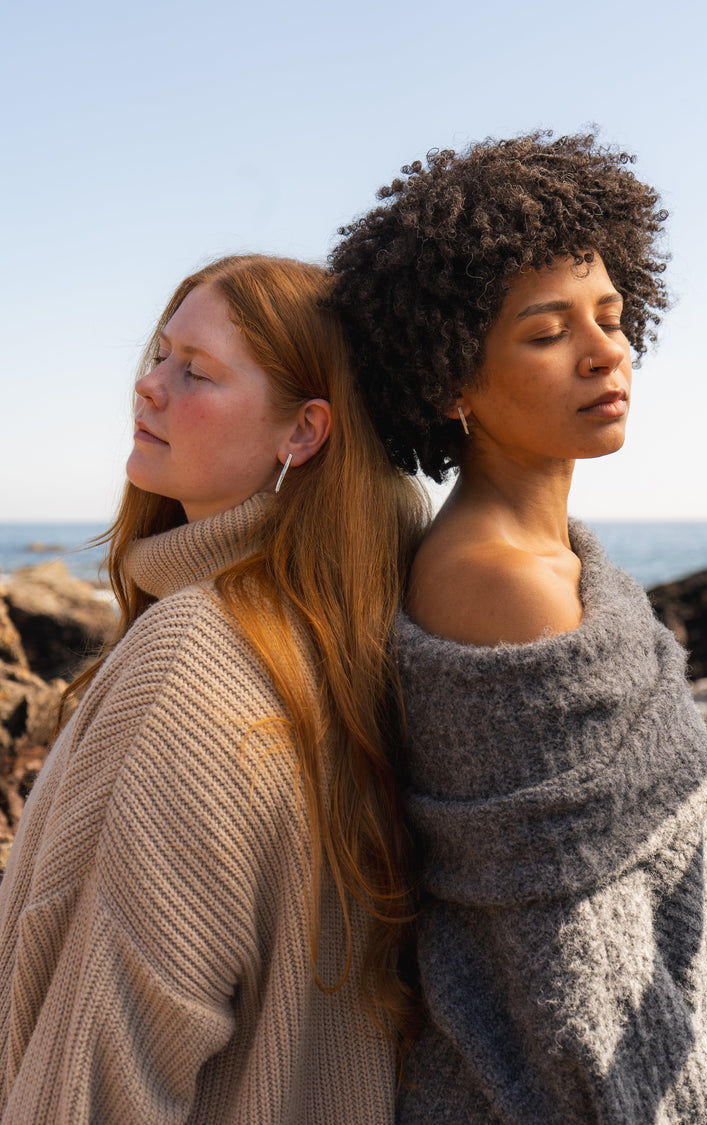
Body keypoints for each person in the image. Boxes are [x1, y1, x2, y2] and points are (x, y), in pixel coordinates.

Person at [330, 133, 707, 1123]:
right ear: (447, 381)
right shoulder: (493, 580)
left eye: (610, 316)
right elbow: (581, 973)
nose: (606, 351)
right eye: (547, 331)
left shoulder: (564, 560)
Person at [0, 254, 426, 1123]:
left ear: (303, 433)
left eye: (194, 371)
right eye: (159, 355)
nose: (147, 388)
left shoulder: (196, 658)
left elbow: (107, 1058)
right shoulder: (343, 641)